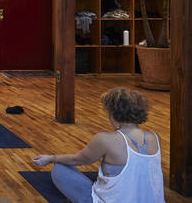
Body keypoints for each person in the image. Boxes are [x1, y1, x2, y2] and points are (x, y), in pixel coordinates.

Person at [33, 87, 164, 203]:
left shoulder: (105, 139)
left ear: (112, 113)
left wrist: (51, 158)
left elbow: (77, 159)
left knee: (60, 169)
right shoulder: (154, 137)